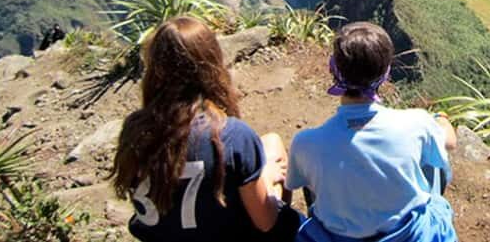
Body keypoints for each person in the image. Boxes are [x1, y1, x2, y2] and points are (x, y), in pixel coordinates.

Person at [110, 16, 300, 241]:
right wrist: (267, 178)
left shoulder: (135, 130)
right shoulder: (233, 136)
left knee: (271, 141)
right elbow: (265, 222)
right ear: (211, 64)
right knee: (273, 165)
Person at [287, 22, 458, 242]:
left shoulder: (306, 143)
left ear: (333, 69)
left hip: (336, 237)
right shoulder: (417, 124)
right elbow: (450, 142)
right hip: (410, 236)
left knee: (315, 174)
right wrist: (440, 119)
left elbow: (296, 182)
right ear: (386, 74)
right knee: (436, 165)